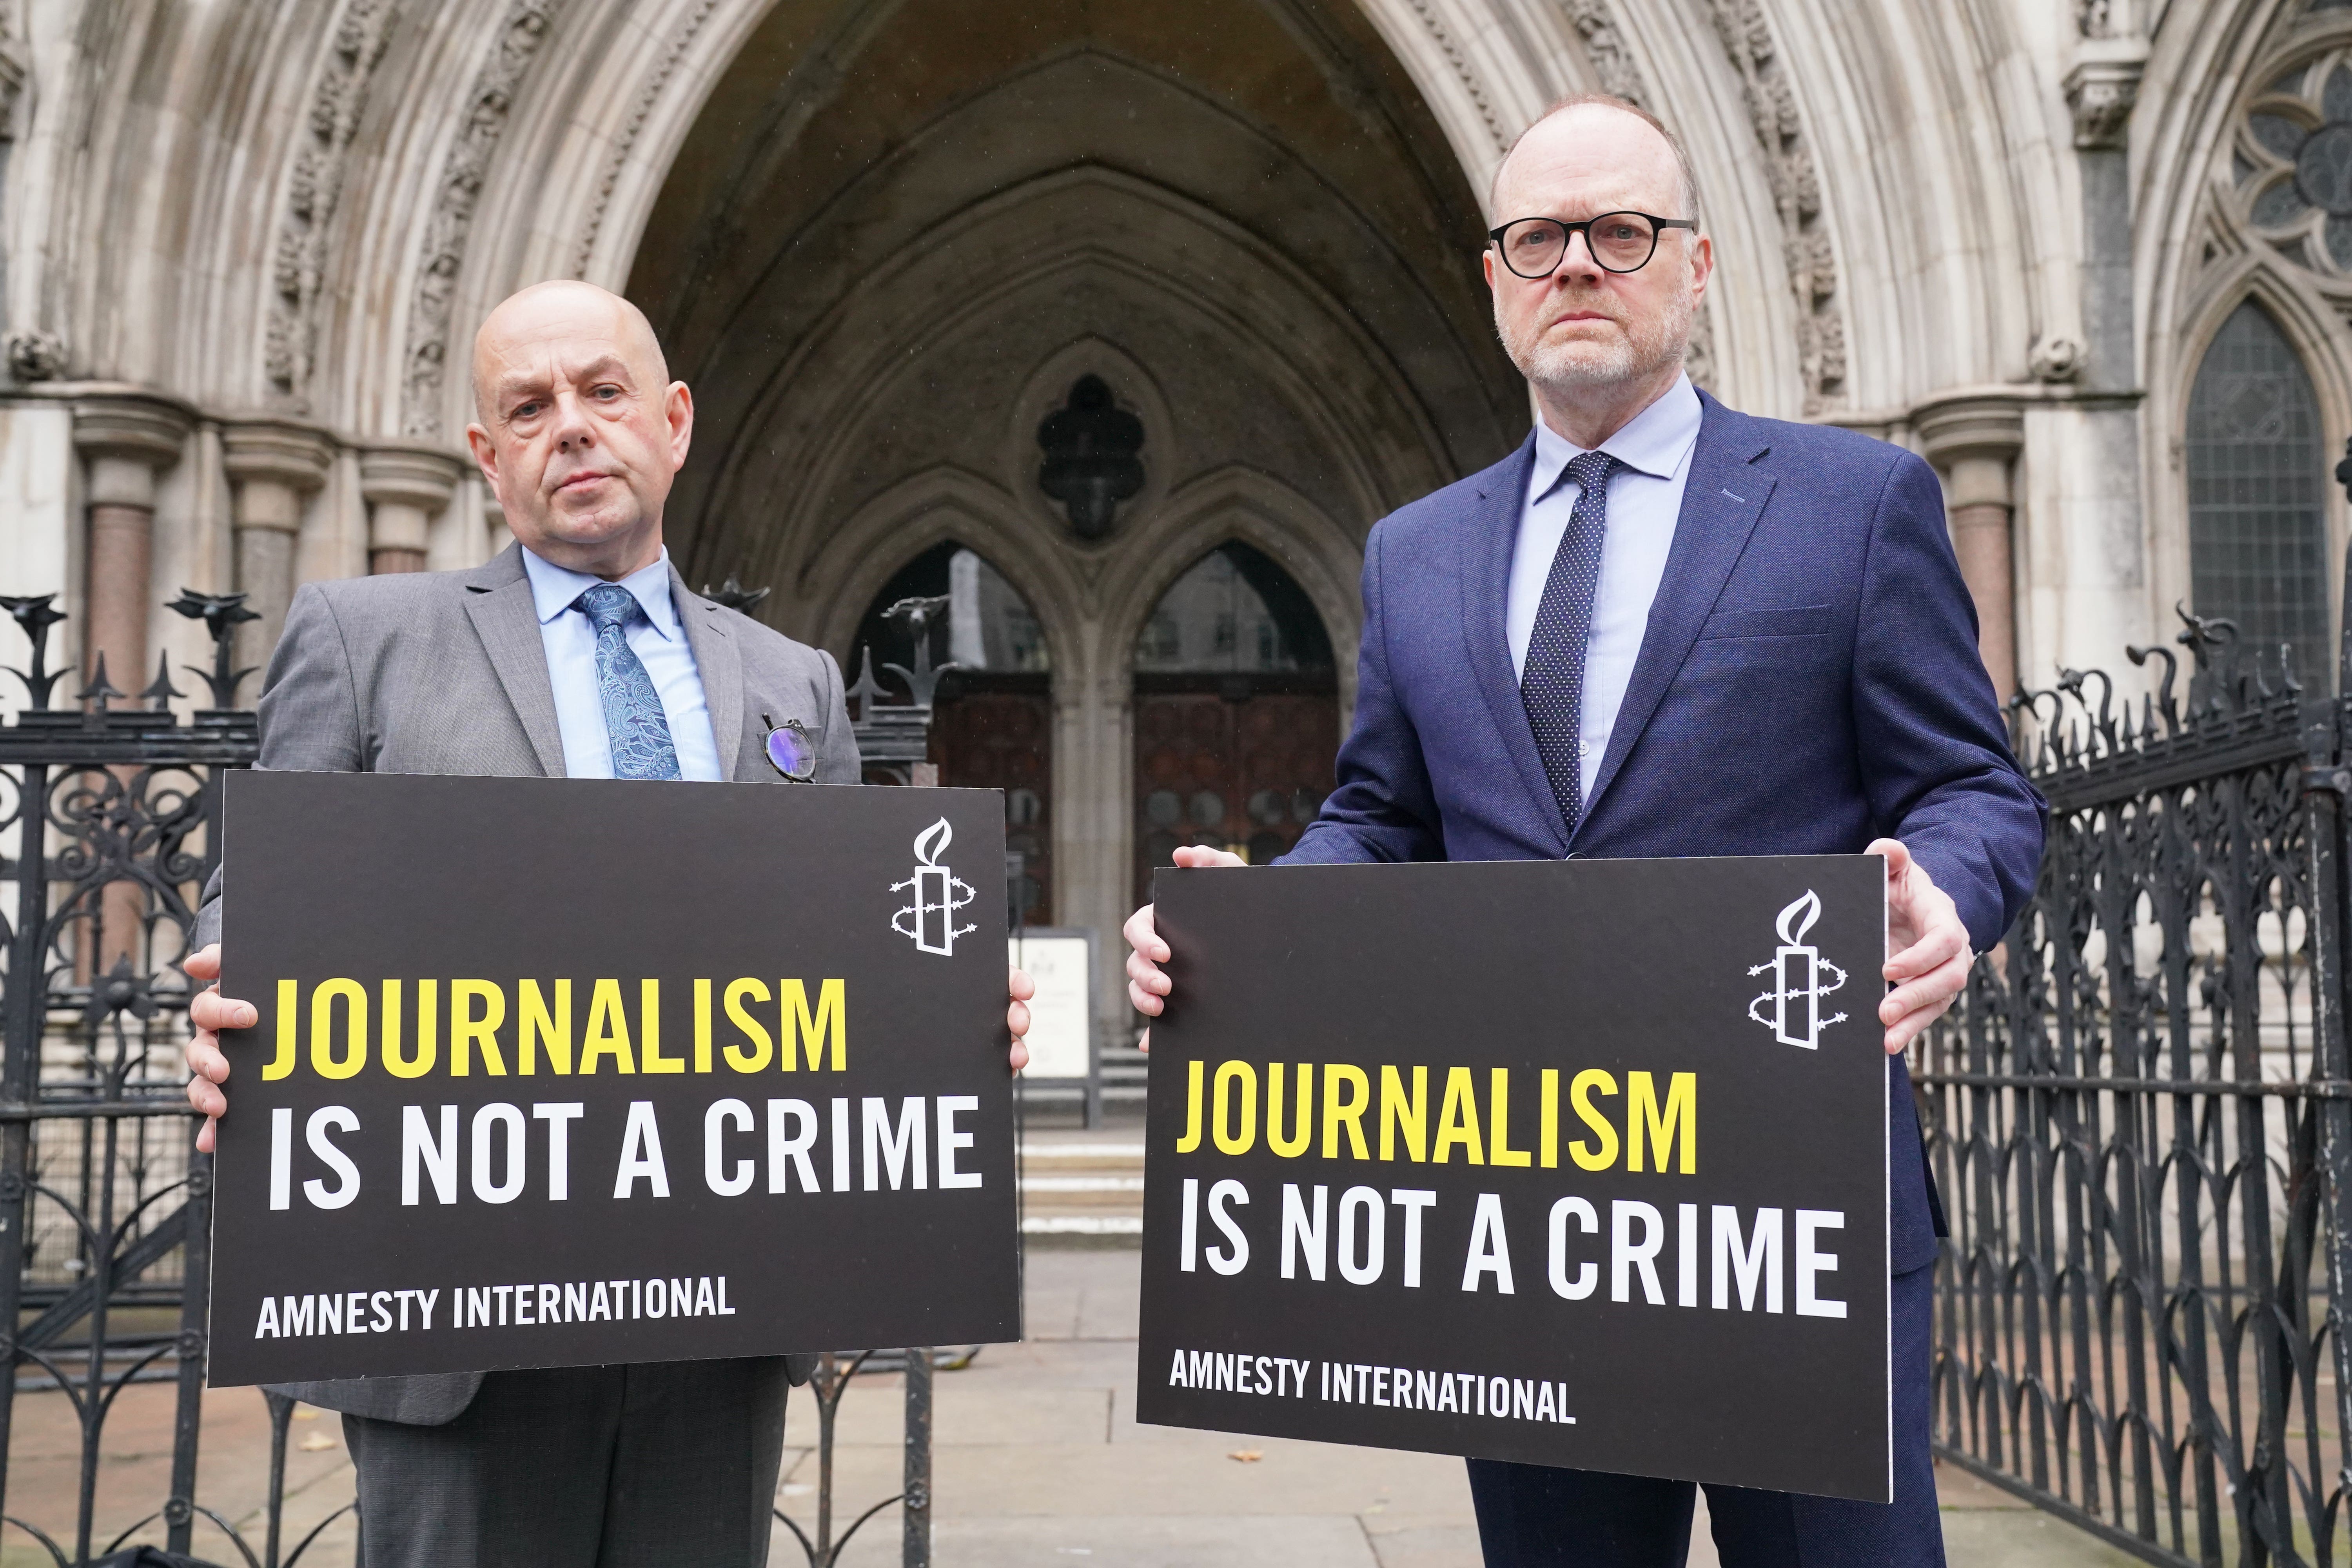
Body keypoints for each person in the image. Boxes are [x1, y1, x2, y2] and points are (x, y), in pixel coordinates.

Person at [1121, 95, 2043, 1566]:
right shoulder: (1418, 551)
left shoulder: (1853, 504)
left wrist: (1946, 893)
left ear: (1698, 264)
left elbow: (1976, 785)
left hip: (1784, 1215)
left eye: (1621, 233)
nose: (1577, 266)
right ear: (1495, 275)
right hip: (1531, 1225)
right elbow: (1381, 817)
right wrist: (1257, 923)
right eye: (1538, 237)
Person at [180, 279, 1035, 1568]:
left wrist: (949, 1017)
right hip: (451, 1316)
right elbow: (259, 900)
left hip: (720, 1310)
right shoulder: (367, 641)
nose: (570, 427)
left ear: (674, 421)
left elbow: (855, 942)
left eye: (602, 392)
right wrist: (224, 998)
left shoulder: (790, 678)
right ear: (486, 459)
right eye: (528, 409)